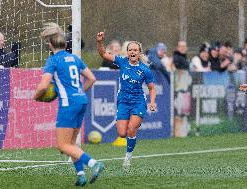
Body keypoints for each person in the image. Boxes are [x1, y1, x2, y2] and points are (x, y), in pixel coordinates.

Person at [33, 23, 104, 186]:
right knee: (70, 143)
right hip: (81, 101)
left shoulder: (53, 60)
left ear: (50, 45)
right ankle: (81, 175)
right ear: (65, 44)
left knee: (62, 145)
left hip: (68, 105)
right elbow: (92, 78)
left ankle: (94, 164)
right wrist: (79, 92)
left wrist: (36, 96)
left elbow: (44, 86)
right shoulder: (74, 58)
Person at [96, 31, 156, 168]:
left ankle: (128, 158)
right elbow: (103, 54)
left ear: (139, 53)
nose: (133, 52)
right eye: (130, 50)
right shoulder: (122, 62)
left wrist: (152, 102)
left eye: (135, 50)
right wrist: (99, 42)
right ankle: (134, 125)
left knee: (131, 130)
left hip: (138, 102)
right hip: (123, 102)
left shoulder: (144, 70)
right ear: (127, 52)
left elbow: (152, 88)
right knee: (122, 133)